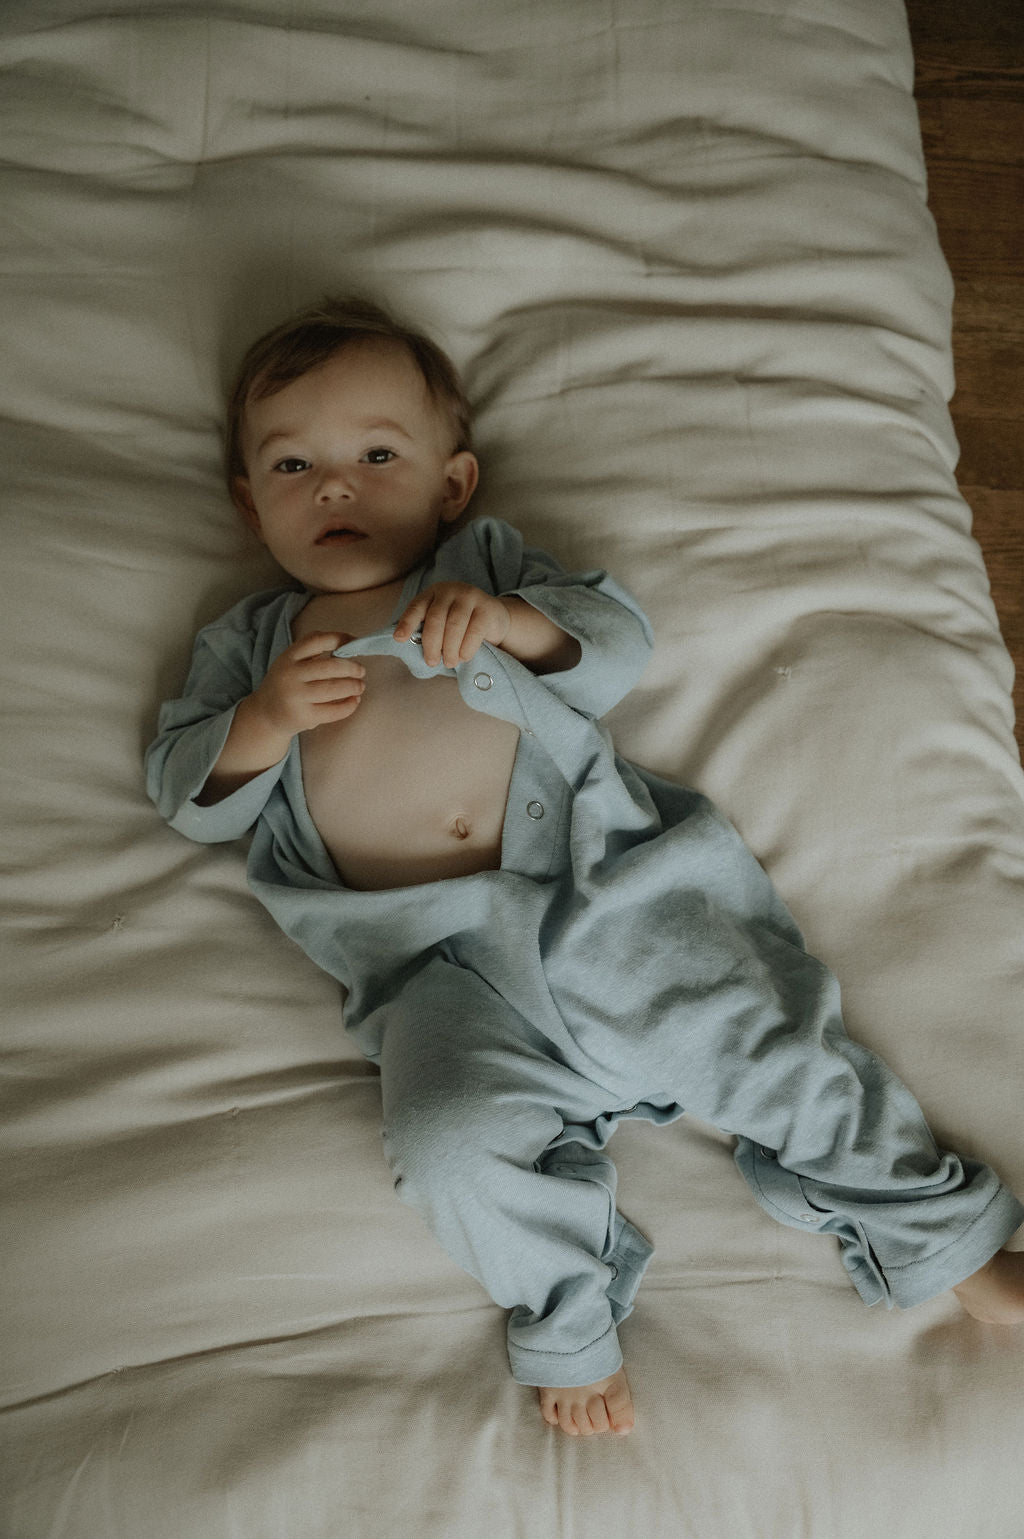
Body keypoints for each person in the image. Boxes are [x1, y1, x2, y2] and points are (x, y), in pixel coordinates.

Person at [146, 296, 1024, 1439]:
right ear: (246, 501)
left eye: (377, 456)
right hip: (434, 979)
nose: (334, 489)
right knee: (445, 1143)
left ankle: (948, 1248)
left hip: (604, 903)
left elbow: (613, 646)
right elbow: (188, 799)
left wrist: (508, 624)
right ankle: (567, 1314)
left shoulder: (482, 572)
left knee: (778, 1055)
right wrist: (263, 722)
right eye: (292, 465)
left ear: (453, 484)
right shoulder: (252, 647)